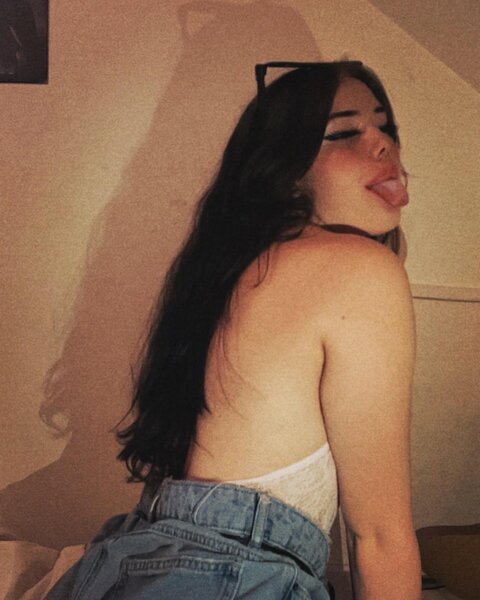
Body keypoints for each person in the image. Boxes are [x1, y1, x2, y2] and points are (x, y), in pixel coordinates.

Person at [46, 60, 422, 599]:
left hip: (132, 559)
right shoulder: (358, 270)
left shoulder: (237, 270)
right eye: (344, 133)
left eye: (386, 127)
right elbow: (381, 537)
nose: (384, 144)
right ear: (285, 169)